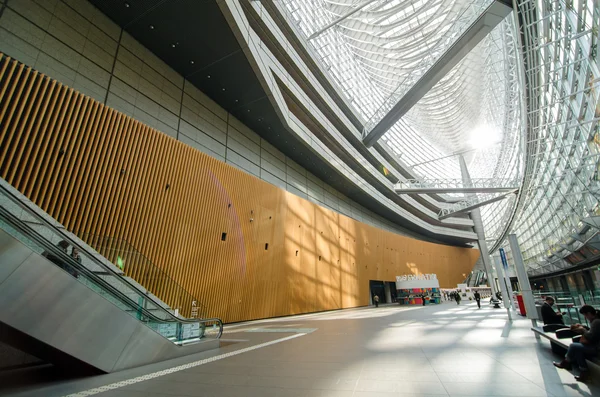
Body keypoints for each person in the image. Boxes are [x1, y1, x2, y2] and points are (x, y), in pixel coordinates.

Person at [553, 305, 599, 381]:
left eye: (585, 315)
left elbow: (592, 337)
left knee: (573, 346)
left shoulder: (596, 322)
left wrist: (583, 330)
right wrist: (585, 328)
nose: (585, 317)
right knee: (578, 350)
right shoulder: (595, 321)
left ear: (588, 313)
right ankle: (584, 373)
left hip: (596, 348)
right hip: (594, 346)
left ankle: (566, 362)